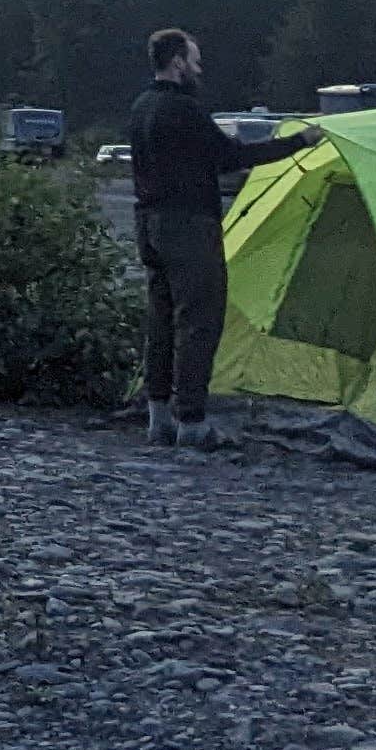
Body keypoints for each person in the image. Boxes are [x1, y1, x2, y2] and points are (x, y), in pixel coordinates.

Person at [127, 29, 316, 451]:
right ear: (177, 61)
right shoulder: (185, 110)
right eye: (194, 59)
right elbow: (232, 158)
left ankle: (158, 419)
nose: (199, 67)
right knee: (198, 321)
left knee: (161, 320)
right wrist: (297, 143)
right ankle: (192, 422)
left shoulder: (141, 107)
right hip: (189, 226)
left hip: (148, 224)